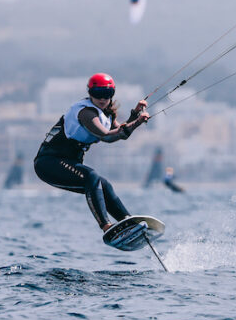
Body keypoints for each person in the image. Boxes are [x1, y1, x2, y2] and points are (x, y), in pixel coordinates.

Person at [33, 73, 149, 232]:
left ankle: (129, 223)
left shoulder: (106, 113)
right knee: (92, 176)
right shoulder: (86, 113)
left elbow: (119, 133)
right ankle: (106, 226)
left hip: (67, 163)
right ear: (90, 93)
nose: (102, 98)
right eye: (97, 93)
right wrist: (138, 122)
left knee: (104, 184)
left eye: (107, 94)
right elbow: (106, 136)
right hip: (48, 163)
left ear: (112, 94)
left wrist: (134, 115)